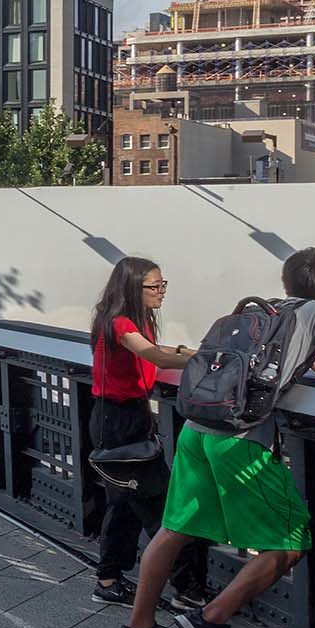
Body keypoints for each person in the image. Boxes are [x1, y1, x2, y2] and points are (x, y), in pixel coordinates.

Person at [118, 247, 315, 628]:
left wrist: (312, 364)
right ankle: (210, 619)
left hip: (196, 430)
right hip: (239, 440)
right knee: (289, 541)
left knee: (174, 529)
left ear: (286, 282)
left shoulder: (263, 310)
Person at [83, 257, 197, 605]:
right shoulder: (119, 322)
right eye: (154, 286)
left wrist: (187, 352)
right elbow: (154, 357)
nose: (161, 292)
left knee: (125, 502)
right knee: (159, 504)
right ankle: (186, 589)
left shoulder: (131, 319)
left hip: (123, 418)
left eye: (163, 284)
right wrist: (207, 360)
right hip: (118, 422)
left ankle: (108, 579)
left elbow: (156, 353)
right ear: (133, 287)